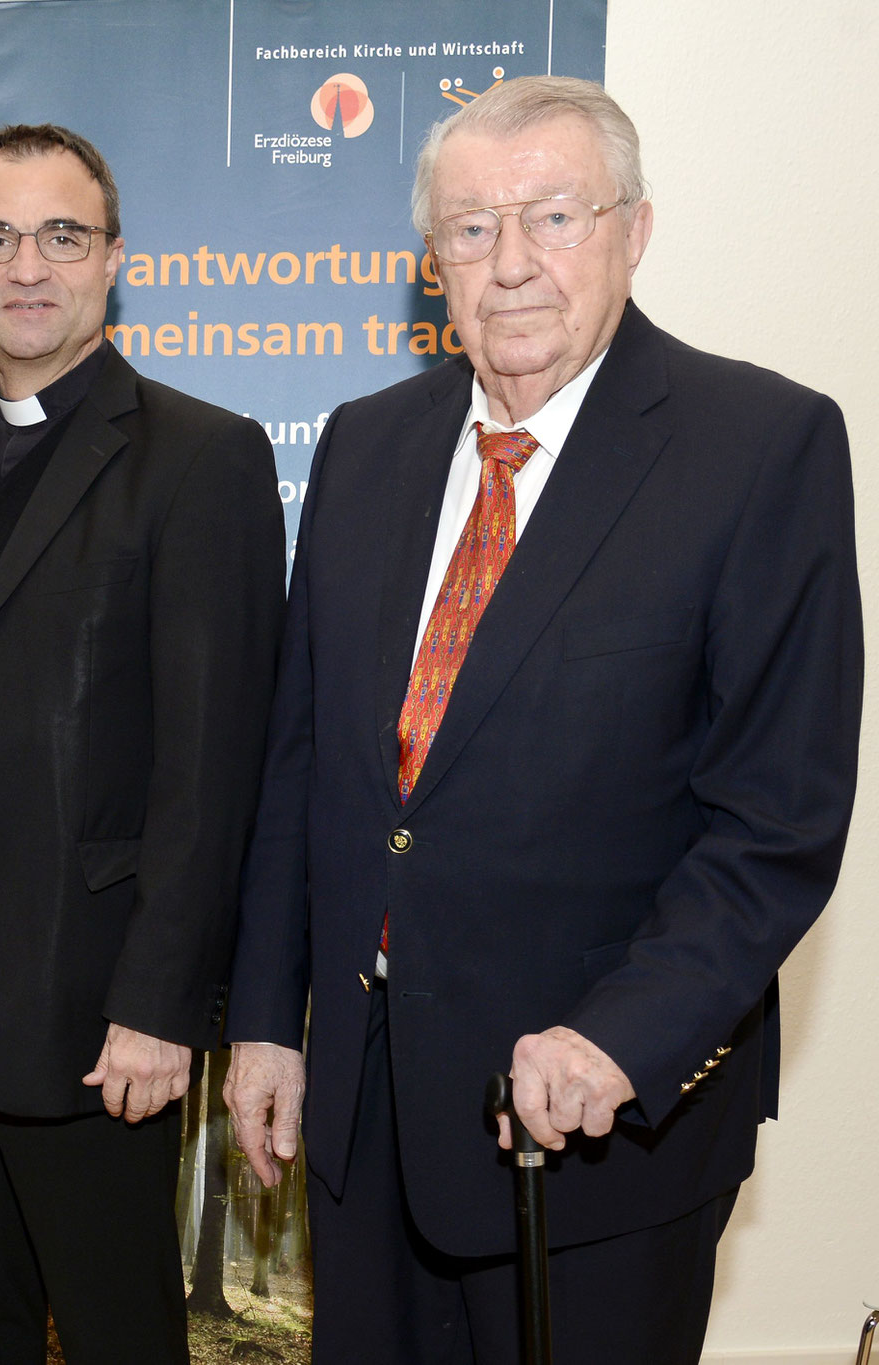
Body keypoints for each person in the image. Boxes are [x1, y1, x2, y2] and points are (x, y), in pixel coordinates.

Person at [224, 75, 861, 1363]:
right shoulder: (362, 444)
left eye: (552, 217)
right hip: (364, 1115)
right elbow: (304, 765)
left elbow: (774, 819)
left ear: (632, 229)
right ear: (431, 263)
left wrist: (617, 1039)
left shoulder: (759, 446)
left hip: (590, 1132)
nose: (507, 263)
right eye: (468, 229)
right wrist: (262, 1020)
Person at [0, 124, 285, 1363]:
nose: (24, 265)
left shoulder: (201, 458)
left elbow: (214, 770)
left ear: (111, 260)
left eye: (59, 235)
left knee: (109, 1329)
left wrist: (159, 1005)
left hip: (92, 990)